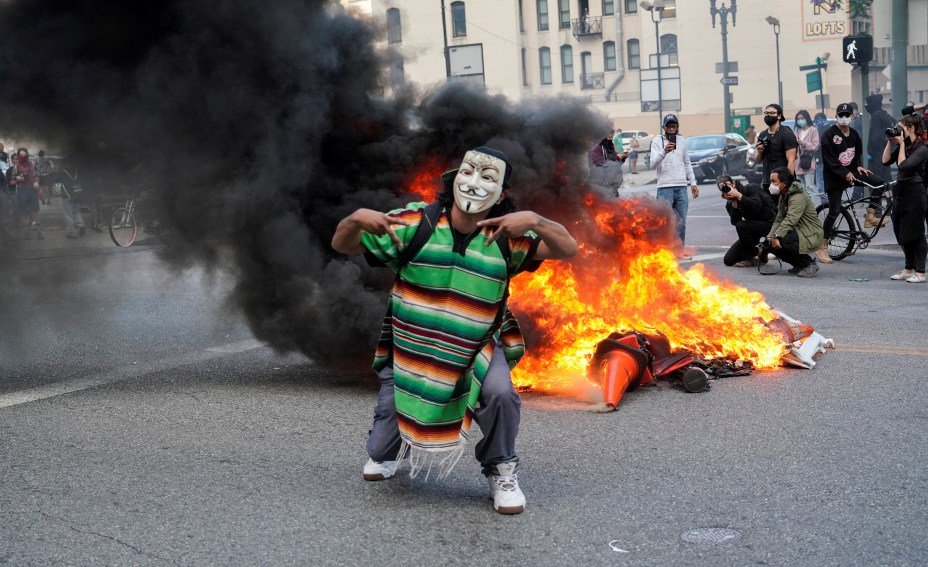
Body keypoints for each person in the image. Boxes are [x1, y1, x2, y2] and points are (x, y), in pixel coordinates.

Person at [331, 146, 578, 515]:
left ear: (501, 194)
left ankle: (500, 468)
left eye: (488, 177)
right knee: (378, 456)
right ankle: (391, 447)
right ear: (454, 179)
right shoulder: (415, 223)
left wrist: (536, 220)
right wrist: (355, 220)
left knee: (501, 395)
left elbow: (568, 248)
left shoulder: (507, 236)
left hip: (476, 347)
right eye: (468, 172)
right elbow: (342, 244)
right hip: (412, 351)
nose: (474, 183)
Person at [821, 102, 888, 262]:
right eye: (841, 115)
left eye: (847, 115)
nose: (844, 118)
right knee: (834, 211)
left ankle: (870, 216)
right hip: (834, 177)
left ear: (852, 116)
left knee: (879, 183)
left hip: (852, 173)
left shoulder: (854, 134)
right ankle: (822, 245)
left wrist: (858, 166)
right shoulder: (829, 135)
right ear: (836, 116)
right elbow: (829, 160)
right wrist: (845, 173)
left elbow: (857, 154)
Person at [881, 114, 928, 283]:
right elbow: (885, 161)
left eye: (901, 127)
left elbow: (903, 166)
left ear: (911, 128)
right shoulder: (905, 145)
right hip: (901, 190)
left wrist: (900, 144)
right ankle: (909, 269)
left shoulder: (922, 149)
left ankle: (920, 272)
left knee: (916, 232)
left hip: (916, 192)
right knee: (900, 230)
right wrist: (890, 142)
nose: (898, 130)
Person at [650, 113, 699, 258]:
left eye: (674, 125)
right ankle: (664, 252)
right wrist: (664, 151)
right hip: (664, 187)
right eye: (669, 125)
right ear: (663, 127)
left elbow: (687, 163)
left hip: (681, 186)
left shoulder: (682, 141)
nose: (671, 128)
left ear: (677, 126)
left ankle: (679, 250)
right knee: (664, 223)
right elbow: (652, 164)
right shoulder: (657, 141)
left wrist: (693, 183)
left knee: (681, 222)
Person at [765, 167, 826, 278]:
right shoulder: (784, 195)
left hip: (811, 232)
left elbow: (790, 219)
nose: (771, 185)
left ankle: (809, 264)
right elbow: (779, 219)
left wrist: (777, 236)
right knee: (770, 244)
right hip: (799, 230)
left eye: (774, 181)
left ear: (784, 183)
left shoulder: (798, 196)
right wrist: (769, 237)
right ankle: (799, 264)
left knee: (784, 240)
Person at [718, 175, 777, 267]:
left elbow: (756, 207)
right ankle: (761, 253)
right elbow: (734, 222)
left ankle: (751, 255)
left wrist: (739, 196)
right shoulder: (730, 202)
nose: (727, 188)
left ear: (733, 183)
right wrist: (735, 206)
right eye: (723, 187)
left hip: (770, 224)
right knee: (728, 260)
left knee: (741, 225)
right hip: (753, 229)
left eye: (728, 185)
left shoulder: (752, 188)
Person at [754, 103, 798, 189]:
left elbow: (791, 160)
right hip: (767, 181)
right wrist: (759, 152)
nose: (768, 115)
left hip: (782, 181)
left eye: (772, 113)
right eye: (766, 113)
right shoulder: (762, 135)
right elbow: (758, 160)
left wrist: (787, 182)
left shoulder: (786, 133)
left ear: (779, 116)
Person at [8, 148, 43, 240]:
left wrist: (37, 182)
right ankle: (27, 233)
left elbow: (37, 174)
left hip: (32, 189)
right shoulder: (16, 166)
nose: (23, 156)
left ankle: (39, 232)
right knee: (24, 212)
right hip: (22, 190)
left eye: (25, 154)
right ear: (19, 156)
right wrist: (17, 178)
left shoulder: (32, 163)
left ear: (27, 154)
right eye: (21, 155)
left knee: (35, 211)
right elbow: (12, 178)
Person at [865, 94, 895, 183]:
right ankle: (890, 192)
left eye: (867, 103)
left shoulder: (876, 116)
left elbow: (875, 137)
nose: (866, 106)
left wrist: (871, 152)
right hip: (885, 152)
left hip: (876, 156)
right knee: (886, 179)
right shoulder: (885, 114)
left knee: (875, 181)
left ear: (873, 104)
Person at [794, 110, 821, 205]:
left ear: (807, 118)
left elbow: (815, 146)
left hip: (808, 163)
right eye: (798, 119)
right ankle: (804, 208)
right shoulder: (797, 131)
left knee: (810, 187)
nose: (800, 120)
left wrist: (803, 143)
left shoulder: (813, 130)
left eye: (802, 118)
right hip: (797, 164)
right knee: (800, 189)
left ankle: (813, 209)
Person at [812, 112, 830, 197]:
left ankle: (824, 199)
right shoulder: (831, 128)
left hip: (821, 159)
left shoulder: (819, 130)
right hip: (828, 159)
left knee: (820, 181)